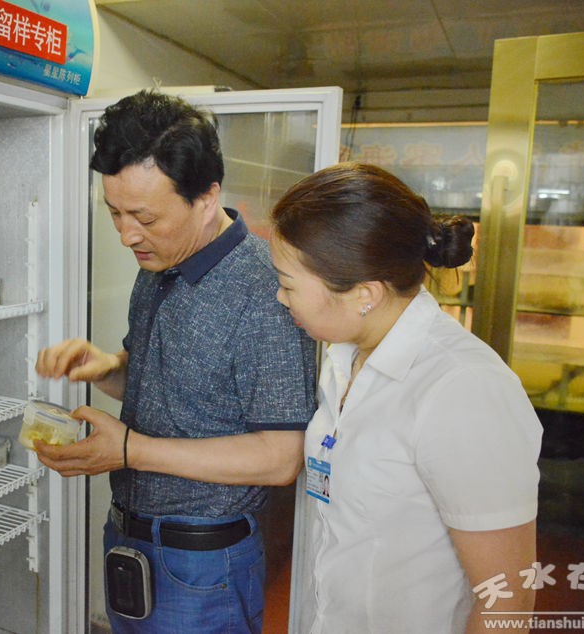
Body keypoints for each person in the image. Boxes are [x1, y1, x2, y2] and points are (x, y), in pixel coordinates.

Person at [34, 90, 317, 633]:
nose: (127, 235)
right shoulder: (159, 263)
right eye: (114, 212)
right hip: (128, 538)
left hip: (203, 562)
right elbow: (175, 390)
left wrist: (129, 450)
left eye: (144, 216)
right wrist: (107, 366)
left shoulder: (264, 290)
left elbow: (281, 457)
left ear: (207, 199)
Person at [268, 162, 542, 634]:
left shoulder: (462, 390)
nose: (279, 297)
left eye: (288, 284)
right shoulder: (343, 357)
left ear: (365, 293)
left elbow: (508, 599)